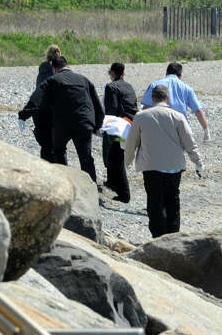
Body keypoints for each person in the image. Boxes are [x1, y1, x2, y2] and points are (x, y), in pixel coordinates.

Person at [125, 84, 205, 238]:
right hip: (174, 167)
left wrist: (127, 162)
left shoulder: (141, 116)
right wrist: (198, 162)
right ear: (168, 98)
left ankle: (157, 236)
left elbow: (131, 143)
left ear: (152, 98)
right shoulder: (178, 116)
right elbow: (190, 142)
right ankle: (173, 236)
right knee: (172, 201)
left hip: (151, 166)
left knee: (154, 202)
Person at [39, 55, 104, 183]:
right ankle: (90, 186)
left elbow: (44, 105)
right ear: (67, 66)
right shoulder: (84, 80)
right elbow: (97, 104)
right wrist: (97, 125)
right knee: (86, 157)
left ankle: (64, 183)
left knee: (59, 150)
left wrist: (44, 125)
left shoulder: (52, 80)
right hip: (84, 123)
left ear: (54, 69)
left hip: (62, 124)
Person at [140, 62, 211, 142]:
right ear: (180, 76)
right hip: (180, 129)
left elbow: (146, 107)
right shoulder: (187, 88)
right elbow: (198, 111)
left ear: (166, 73)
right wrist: (206, 132)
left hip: (159, 127)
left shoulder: (154, 85)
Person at [102, 62, 138, 203]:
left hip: (119, 128)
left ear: (112, 73)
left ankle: (124, 194)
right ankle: (112, 183)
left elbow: (112, 109)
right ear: (123, 73)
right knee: (114, 155)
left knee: (116, 157)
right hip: (131, 125)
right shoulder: (129, 86)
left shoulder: (111, 87)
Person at [18, 83, 54, 162]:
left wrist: (22, 116)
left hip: (46, 125)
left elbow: (34, 104)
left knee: (48, 150)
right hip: (65, 122)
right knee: (59, 151)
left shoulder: (46, 82)